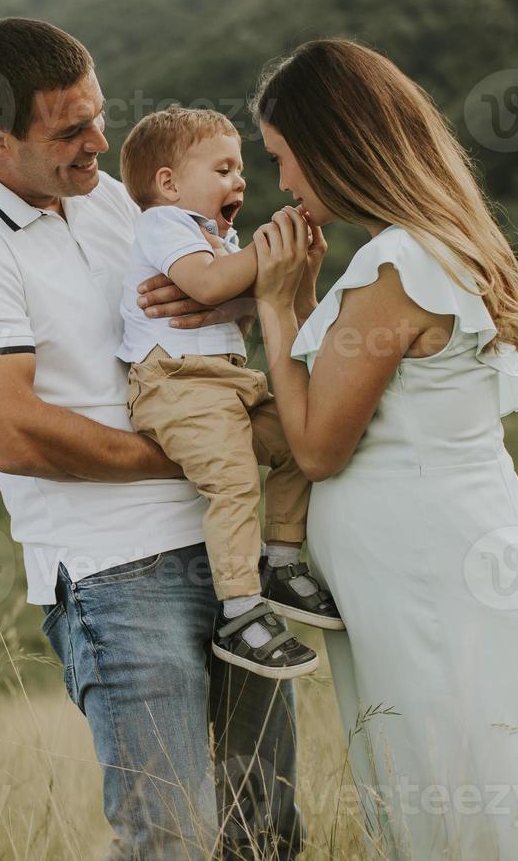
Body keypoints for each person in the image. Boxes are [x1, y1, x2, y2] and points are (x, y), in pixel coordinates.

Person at [239, 37, 518, 859]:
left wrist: (277, 305)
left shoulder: (395, 265)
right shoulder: (427, 249)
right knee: (512, 789)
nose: (284, 183)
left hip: (438, 584)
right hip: (453, 566)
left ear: (335, 144)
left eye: (284, 158)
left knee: (476, 797)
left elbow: (320, 448)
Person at [0, 17, 304, 860]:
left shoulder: (113, 200)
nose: (100, 143)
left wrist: (238, 304)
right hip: (116, 575)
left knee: (264, 828)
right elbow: (10, 432)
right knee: (173, 837)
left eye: (98, 115)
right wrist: (190, 457)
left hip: (221, 540)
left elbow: (191, 306)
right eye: (70, 130)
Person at [114, 106, 343, 680]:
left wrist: (289, 270)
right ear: (169, 184)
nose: (240, 181)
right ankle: (240, 611)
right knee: (234, 478)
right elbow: (211, 284)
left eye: (241, 170)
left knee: (298, 435)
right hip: (177, 384)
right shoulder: (165, 225)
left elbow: (242, 309)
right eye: (224, 170)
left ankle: (282, 560)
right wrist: (271, 253)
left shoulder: (218, 236)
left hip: (227, 383)